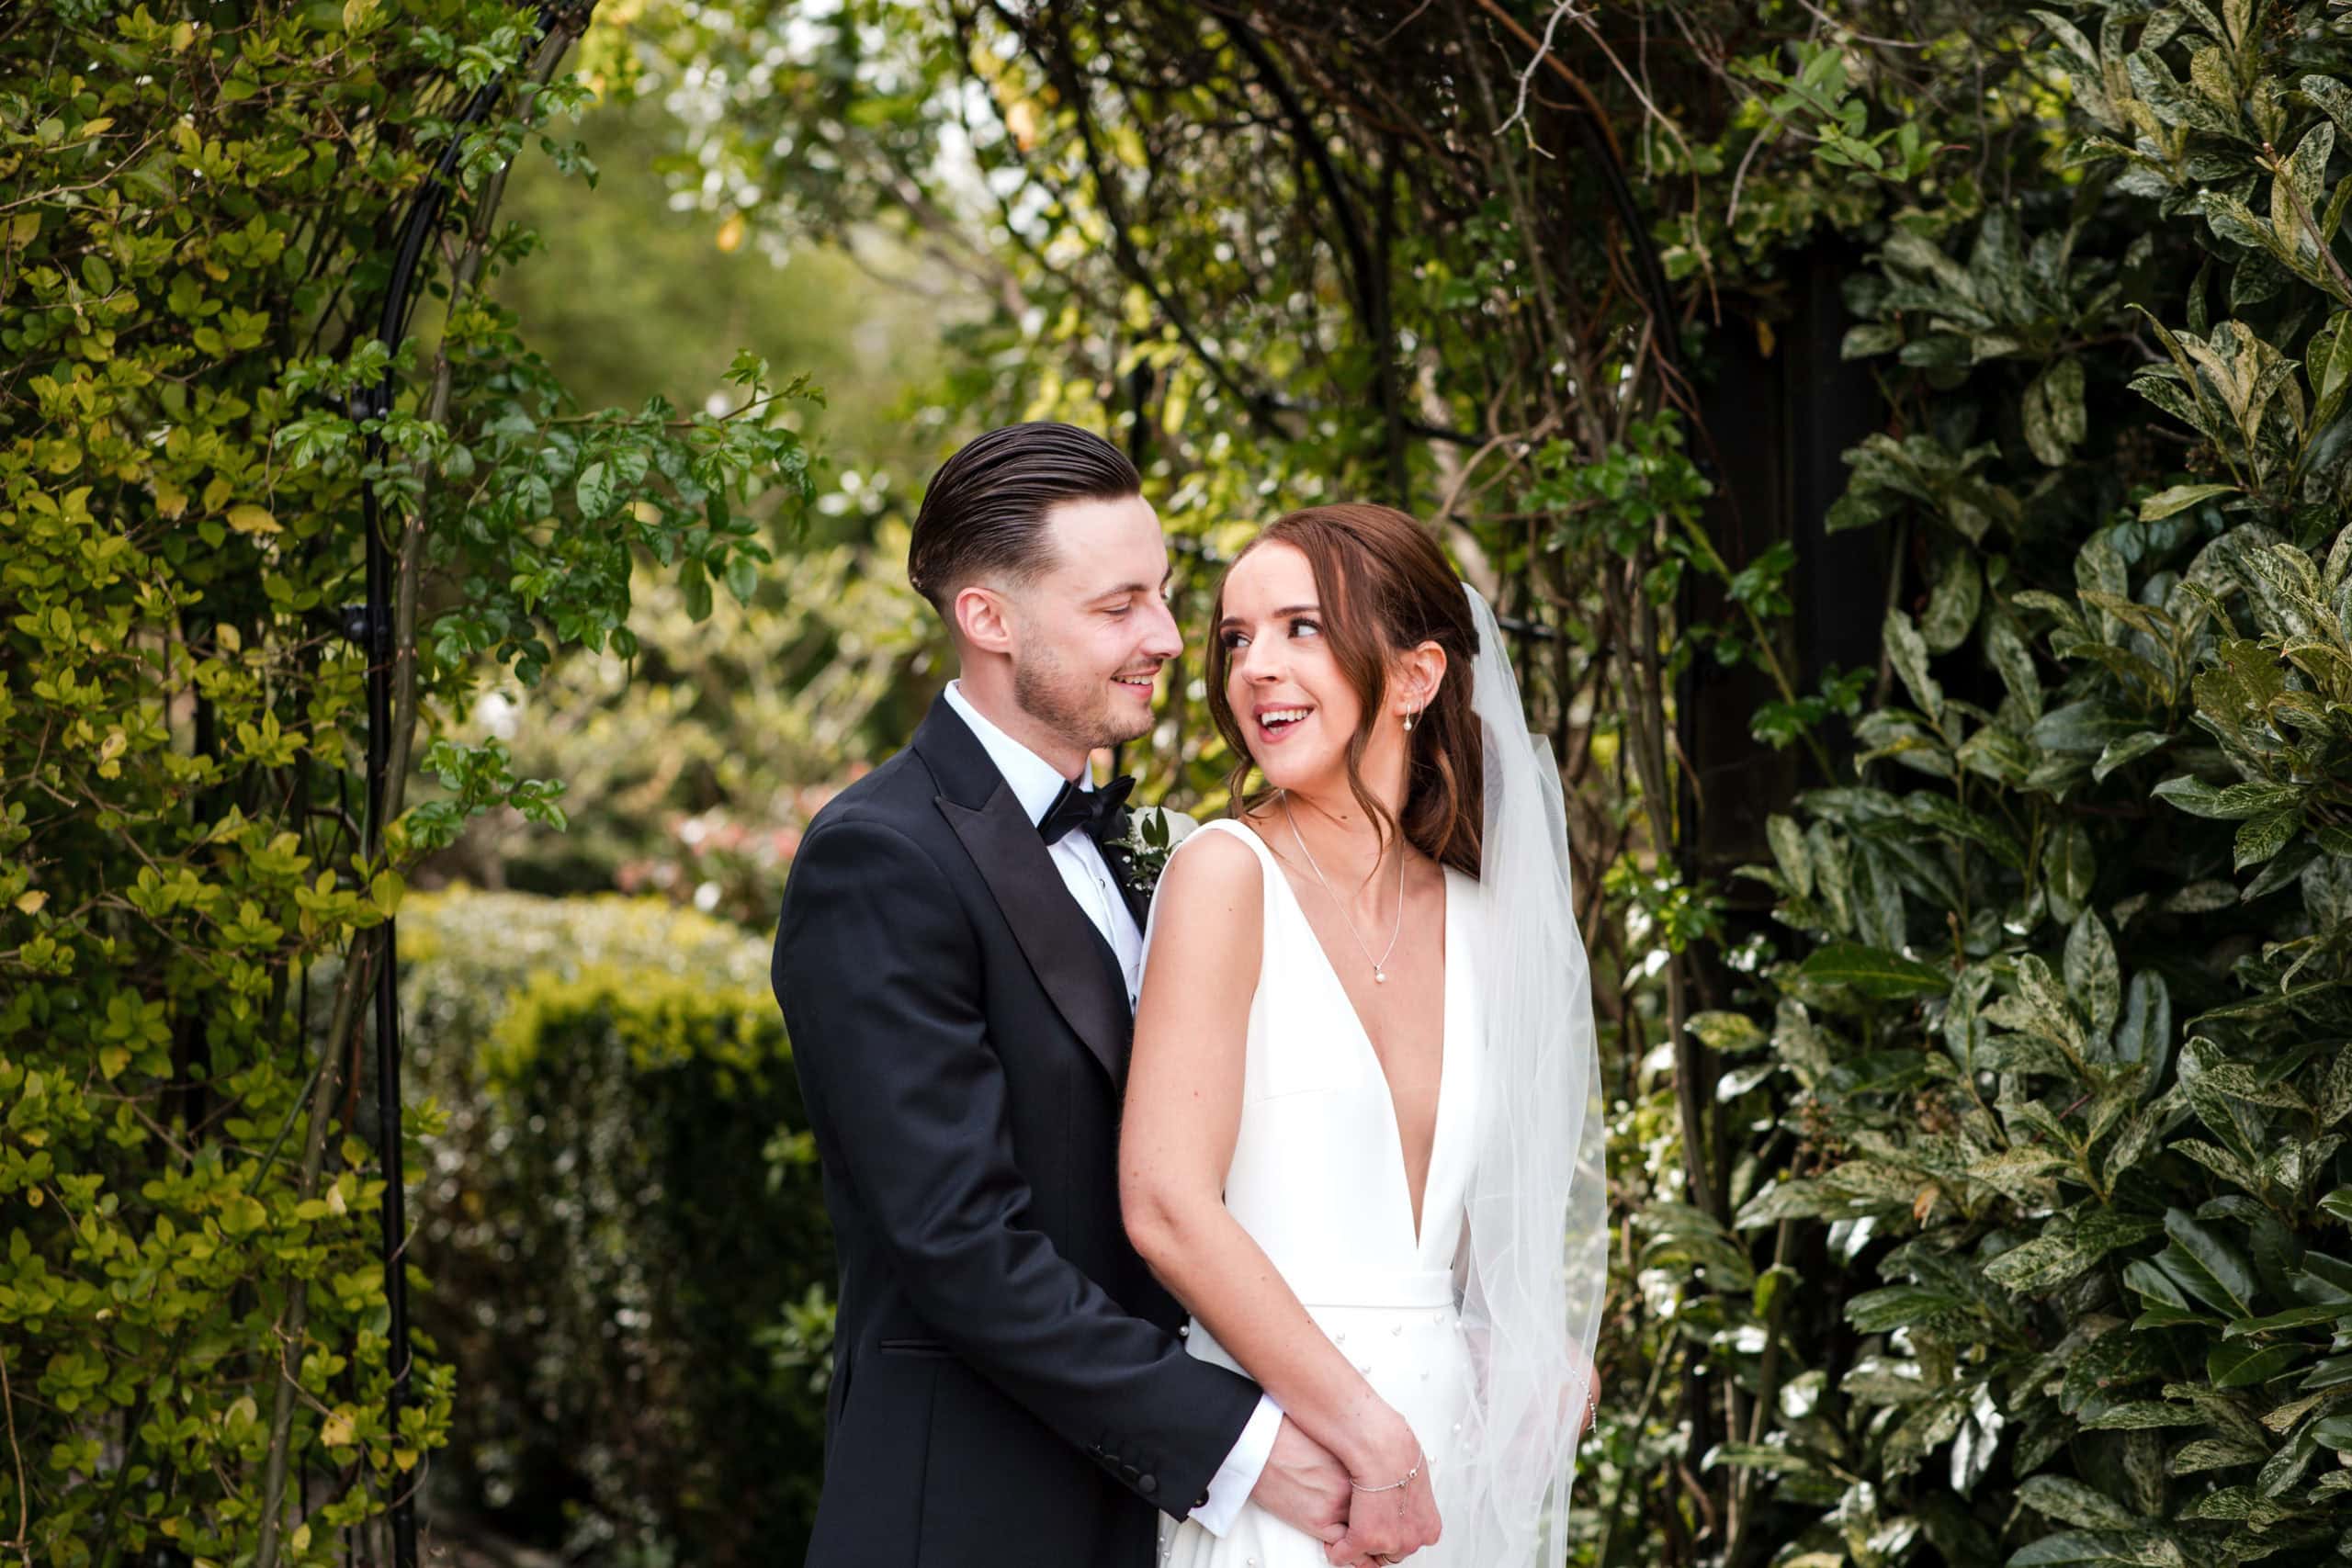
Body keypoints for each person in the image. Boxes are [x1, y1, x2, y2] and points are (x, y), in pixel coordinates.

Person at [770, 423, 1354, 1567]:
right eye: (1118, 606)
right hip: (976, 1512)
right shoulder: (876, 860)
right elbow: (961, 1248)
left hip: (1154, 1514)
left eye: (1165, 598)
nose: (1169, 640)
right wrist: (1241, 1443)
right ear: (989, 619)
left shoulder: (1167, 853)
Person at [1121, 504, 1607, 1568]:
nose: (1255, 668)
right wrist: (1368, 1439)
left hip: (1449, 1471)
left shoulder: (1486, 926)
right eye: (1236, 638)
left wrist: (1540, 1353)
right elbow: (1165, 1205)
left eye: (1300, 627)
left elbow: (1482, 1247)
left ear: (1415, 676)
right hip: (1294, 1458)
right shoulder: (1222, 874)